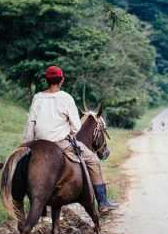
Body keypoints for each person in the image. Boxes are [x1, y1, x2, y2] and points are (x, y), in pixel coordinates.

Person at [23, 65, 118, 210]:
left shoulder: (37, 98)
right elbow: (76, 127)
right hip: (60, 143)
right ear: (61, 80)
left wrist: (27, 144)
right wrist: (69, 133)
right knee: (93, 160)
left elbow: (30, 124)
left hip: (38, 143)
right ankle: (103, 202)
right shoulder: (66, 98)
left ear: (46, 80)